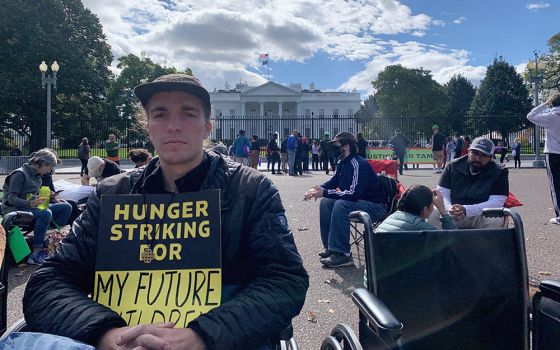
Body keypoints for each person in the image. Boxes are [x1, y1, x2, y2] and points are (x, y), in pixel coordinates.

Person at [22, 74, 308, 350]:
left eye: (188, 113)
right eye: (160, 114)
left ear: (208, 126)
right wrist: (109, 335)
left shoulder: (251, 189)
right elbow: (50, 281)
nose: (174, 126)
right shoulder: (112, 194)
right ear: (147, 126)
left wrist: (202, 336)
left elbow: (284, 281)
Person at [304, 132, 387, 268]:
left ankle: (343, 254)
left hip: (375, 206)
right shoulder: (342, 161)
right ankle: (332, 247)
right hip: (358, 202)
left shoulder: (358, 164)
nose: (334, 147)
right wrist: (318, 189)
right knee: (326, 202)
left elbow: (353, 194)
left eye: (337, 144)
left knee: (340, 205)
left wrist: (325, 192)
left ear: (346, 146)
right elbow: (333, 182)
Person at [1, 149, 72, 265]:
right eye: (50, 168)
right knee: (46, 213)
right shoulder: (20, 174)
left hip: (28, 207)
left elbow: (30, 195)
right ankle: (36, 252)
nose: (51, 171)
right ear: (44, 164)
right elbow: (11, 199)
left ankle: (49, 239)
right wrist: (30, 203)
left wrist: (49, 197)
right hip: (13, 210)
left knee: (66, 207)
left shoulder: (37, 175)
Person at [429, 137, 509, 229]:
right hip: (452, 213)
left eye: (483, 155)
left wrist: (466, 210)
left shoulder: (500, 172)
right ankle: (438, 243)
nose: (478, 158)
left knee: (495, 219)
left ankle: (485, 244)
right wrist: (449, 209)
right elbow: (441, 194)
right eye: (474, 153)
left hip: (481, 215)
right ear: (468, 152)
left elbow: (497, 202)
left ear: (491, 157)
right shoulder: (453, 166)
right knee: (432, 213)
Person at [527, 92, 560, 225]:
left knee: (556, 185)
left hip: (553, 152)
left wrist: (545, 104)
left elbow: (530, 115)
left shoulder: (551, 116)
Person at [376, 185, 456, 232]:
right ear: (425, 210)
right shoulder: (422, 227)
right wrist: (443, 211)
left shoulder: (391, 217)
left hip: (379, 259)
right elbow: (452, 241)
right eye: (433, 203)